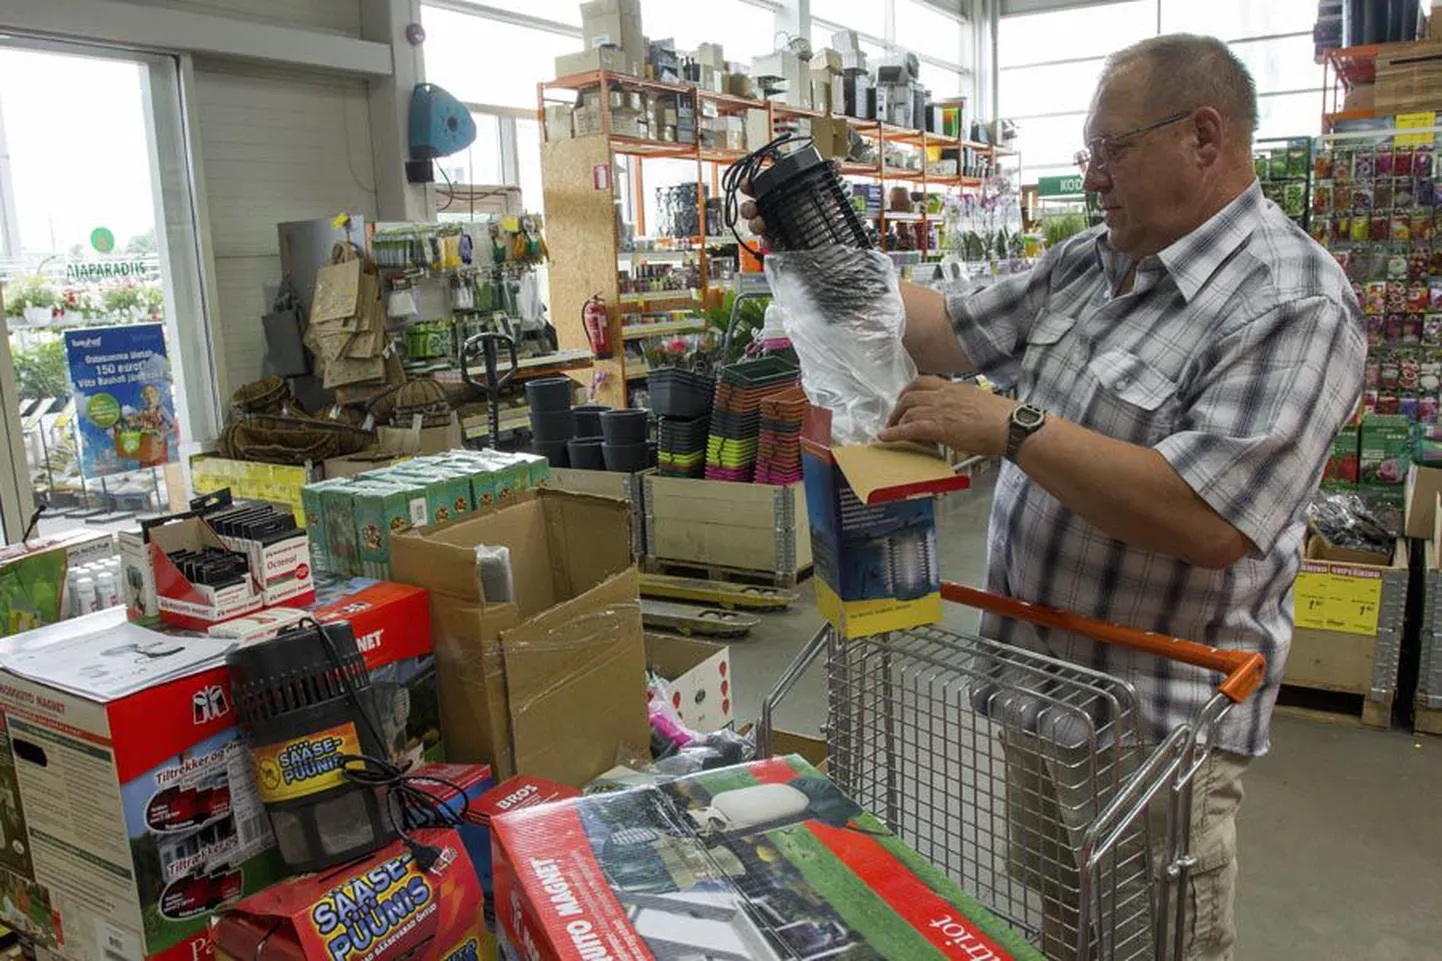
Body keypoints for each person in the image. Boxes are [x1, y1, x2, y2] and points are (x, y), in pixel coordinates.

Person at [741, 33, 1365, 961]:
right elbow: (943, 327)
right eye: (1089, 153)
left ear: (1203, 137)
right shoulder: (1088, 262)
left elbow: (1210, 520)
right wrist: (815, 238)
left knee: (1150, 945)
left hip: (1154, 726)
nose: (1094, 175)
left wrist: (1013, 427)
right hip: (1039, 689)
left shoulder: (1292, 304)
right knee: (1066, 930)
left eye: (1112, 149)